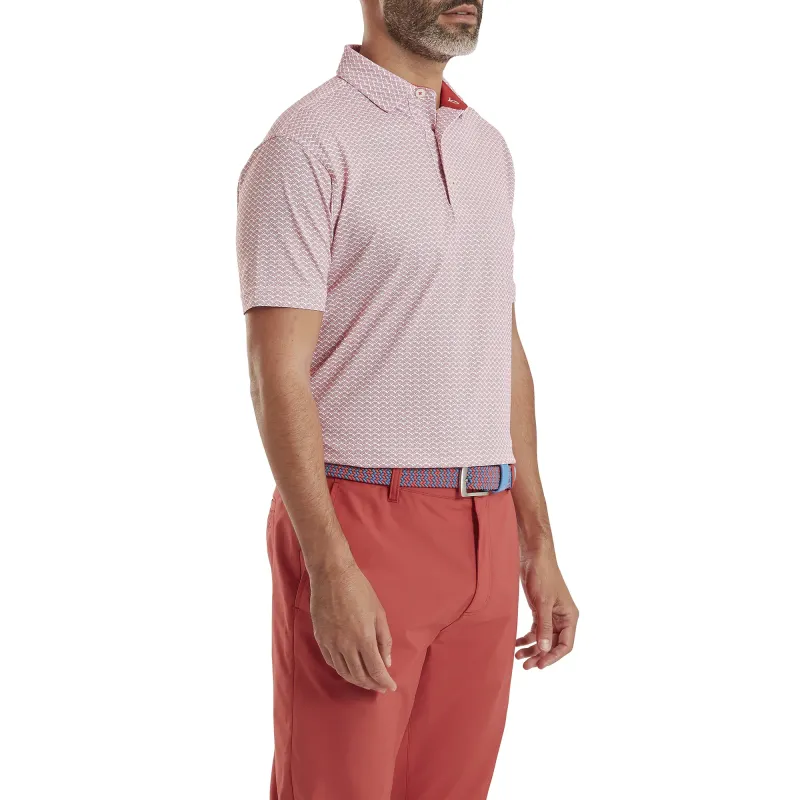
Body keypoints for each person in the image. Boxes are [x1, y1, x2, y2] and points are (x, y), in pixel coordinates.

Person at [235, 1, 579, 797]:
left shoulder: (487, 147)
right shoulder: (307, 143)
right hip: (362, 523)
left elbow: (501, 348)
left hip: (487, 528)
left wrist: (537, 544)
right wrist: (329, 564)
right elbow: (275, 373)